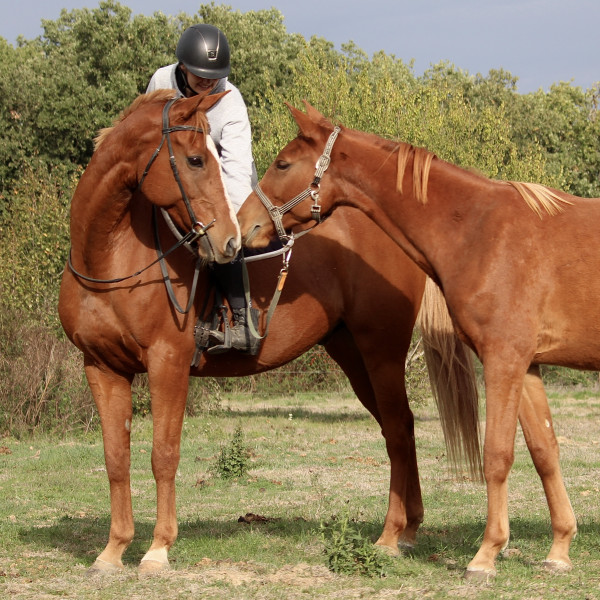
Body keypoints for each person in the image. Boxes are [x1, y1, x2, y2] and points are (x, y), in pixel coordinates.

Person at [147, 24, 258, 354]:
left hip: (221, 179)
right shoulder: (160, 82)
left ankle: (241, 322)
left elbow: (236, 172)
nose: (208, 82)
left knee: (216, 229)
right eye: (200, 75)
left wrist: (232, 225)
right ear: (183, 66)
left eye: (214, 75)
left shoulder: (231, 103)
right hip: (175, 176)